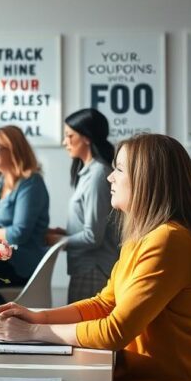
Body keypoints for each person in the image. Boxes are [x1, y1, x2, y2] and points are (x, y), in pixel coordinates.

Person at [0, 134, 191, 381]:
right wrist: (37, 315)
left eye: (119, 169)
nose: (109, 177)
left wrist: (33, 331)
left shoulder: (169, 240)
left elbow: (114, 332)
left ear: (146, 179)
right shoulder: (146, 237)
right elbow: (105, 303)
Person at [45, 109, 120, 303]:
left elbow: (93, 236)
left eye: (70, 136)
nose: (65, 142)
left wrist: (59, 240)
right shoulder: (87, 173)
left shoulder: (97, 176)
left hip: (94, 270)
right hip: (85, 269)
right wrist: (65, 233)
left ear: (87, 137)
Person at [0, 125, 50, 307]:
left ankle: (2, 318)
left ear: (15, 149)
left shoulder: (31, 183)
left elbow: (18, 233)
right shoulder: (1, 181)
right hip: (3, 262)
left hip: (21, 267)